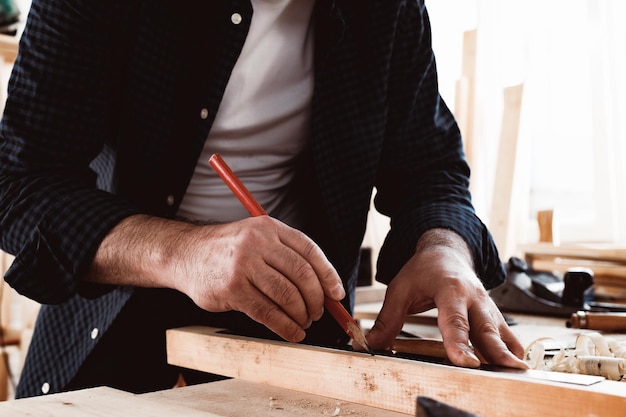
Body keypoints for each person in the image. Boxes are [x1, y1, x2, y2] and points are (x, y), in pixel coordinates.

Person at [0, 0, 528, 399]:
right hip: (110, 331)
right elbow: (18, 185)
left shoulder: (387, 10)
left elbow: (430, 169)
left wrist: (445, 249)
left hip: (303, 338)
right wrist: (186, 252)